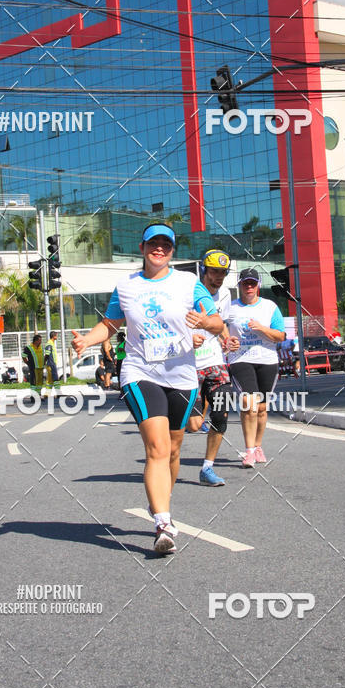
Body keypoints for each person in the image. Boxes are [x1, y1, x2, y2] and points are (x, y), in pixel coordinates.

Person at [71, 223, 223, 555]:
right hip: (140, 372)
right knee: (156, 447)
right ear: (142, 248)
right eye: (153, 243)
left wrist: (206, 323)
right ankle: (163, 523)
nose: (159, 249)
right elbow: (110, 324)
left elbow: (217, 322)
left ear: (172, 251)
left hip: (181, 375)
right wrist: (87, 339)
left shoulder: (188, 283)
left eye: (165, 245)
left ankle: (163, 505)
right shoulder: (126, 286)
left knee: (173, 448)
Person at [187, 249, 237, 487]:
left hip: (215, 363)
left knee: (221, 413)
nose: (218, 278)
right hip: (187, 365)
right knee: (194, 425)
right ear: (204, 271)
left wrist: (227, 340)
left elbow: (221, 325)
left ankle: (207, 468)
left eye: (223, 274)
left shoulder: (225, 294)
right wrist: (188, 339)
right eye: (214, 272)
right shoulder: (187, 292)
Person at [226, 268, 286, 466]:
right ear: (240, 285)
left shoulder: (269, 307)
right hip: (240, 359)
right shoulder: (230, 308)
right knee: (249, 404)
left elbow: (281, 336)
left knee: (261, 408)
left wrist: (261, 328)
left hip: (267, 360)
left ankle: (258, 446)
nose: (249, 287)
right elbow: (219, 332)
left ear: (258, 285)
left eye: (252, 283)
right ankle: (249, 450)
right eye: (245, 283)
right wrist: (226, 341)